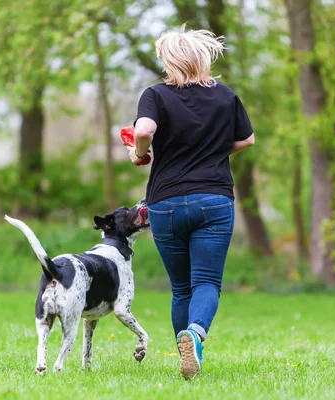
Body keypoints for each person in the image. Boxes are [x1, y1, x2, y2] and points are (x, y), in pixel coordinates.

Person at [126, 25, 255, 379]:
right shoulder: (226, 96)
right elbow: (247, 140)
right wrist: (214, 150)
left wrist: (140, 154)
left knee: (181, 287)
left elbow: (143, 131)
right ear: (202, 58)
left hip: (165, 204)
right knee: (207, 283)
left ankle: (186, 353)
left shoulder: (154, 94)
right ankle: (194, 337)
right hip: (213, 200)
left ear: (169, 60)